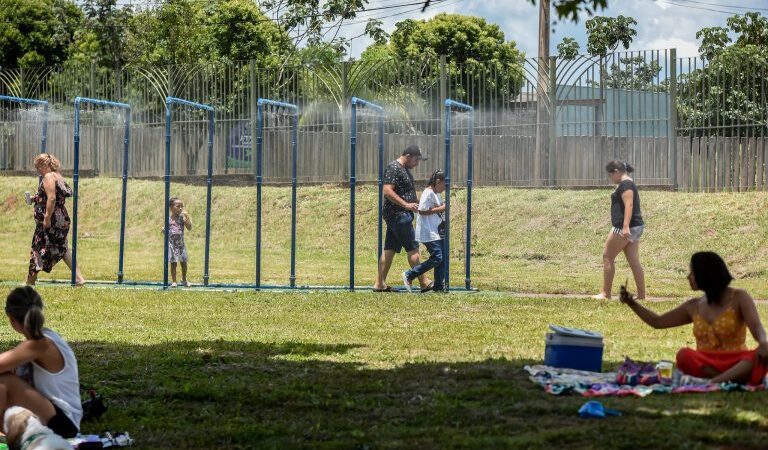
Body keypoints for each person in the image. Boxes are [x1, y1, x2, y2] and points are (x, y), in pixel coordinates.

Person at [620, 252, 768, 385]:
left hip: (736, 361)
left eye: (692, 272)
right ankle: (730, 378)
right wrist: (631, 303)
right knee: (684, 356)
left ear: (706, 274)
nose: (688, 277)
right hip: (705, 362)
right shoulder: (694, 306)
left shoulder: (739, 297)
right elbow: (658, 322)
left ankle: (716, 381)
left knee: (757, 355)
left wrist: (763, 342)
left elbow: (757, 328)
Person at [0, 286, 82, 438]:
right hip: (54, 417)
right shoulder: (43, 340)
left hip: (63, 425)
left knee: (4, 381)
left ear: (11, 319)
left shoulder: (40, 344)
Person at [373, 144, 431, 292]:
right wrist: (406, 205)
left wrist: (418, 204)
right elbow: (387, 191)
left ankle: (379, 284)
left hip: (398, 215)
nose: (417, 164)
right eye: (416, 160)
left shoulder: (404, 169)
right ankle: (424, 281)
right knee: (413, 249)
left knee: (389, 250)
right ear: (408, 156)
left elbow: (405, 192)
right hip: (399, 215)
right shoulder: (394, 168)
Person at [27, 154, 85, 286]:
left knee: (38, 248)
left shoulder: (48, 176)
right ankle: (79, 278)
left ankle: (29, 282)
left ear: (45, 165)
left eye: (38, 167)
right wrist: (35, 198)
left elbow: (52, 198)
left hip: (51, 218)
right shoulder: (58, 176)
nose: (38, 171)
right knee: (63, 248)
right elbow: (57, 196)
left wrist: (47, 218)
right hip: (61, 218)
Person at [594, 160, 645, 300]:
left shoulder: (626, 185)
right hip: (635, 226)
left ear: (616, 171)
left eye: (610, 175)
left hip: (624, 227)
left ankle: (605, 293)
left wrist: (625, 226)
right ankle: (641, 296)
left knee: (607, 257)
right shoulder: (628, 183)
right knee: (634, 261)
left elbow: (629, 205)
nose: (611, 179)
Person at [402, 169, 446, 293]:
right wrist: (441, 208)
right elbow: (421, 210)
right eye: (444, 185)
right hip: (429, 232)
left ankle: (438, 287)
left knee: (442, 260)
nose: (444, 188)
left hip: (437, 231)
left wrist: (440, 208)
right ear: (438, 181)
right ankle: (410, 274)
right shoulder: (428, 193)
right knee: (437, 257)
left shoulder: (436, 193)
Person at [168, 197, 192, 288]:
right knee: (173, 263)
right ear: (171, 208)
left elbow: (189, 228)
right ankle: (174, 281)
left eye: (182, 206)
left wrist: (187, 218)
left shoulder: (182, 218)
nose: (181, 208)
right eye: (178, 206)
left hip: (181, 244)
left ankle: (184, 279)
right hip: (172, 245)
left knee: (184, 262)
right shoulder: (168, 219)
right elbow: (165, 229)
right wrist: (163, 230)